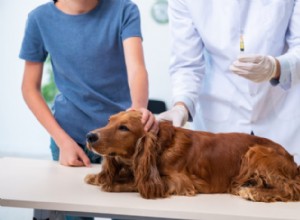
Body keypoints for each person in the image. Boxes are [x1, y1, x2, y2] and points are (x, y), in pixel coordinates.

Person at [19, 0, 157, 219]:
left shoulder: (124, 10)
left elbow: (136, 68)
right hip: (71, 140)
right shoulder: (39, 19)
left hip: (122, 143)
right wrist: (63, 141)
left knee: (131, 212)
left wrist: (138, 108)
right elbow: (29, 88)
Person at [157, 0, 300, 163]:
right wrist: (181, 106)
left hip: (283, 117)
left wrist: (276, 68)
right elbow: (187, 63)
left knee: (286, 180)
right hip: (219, 125)